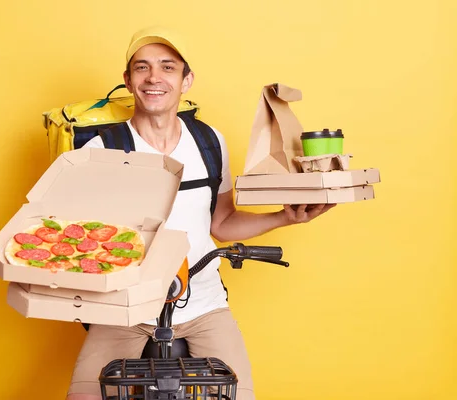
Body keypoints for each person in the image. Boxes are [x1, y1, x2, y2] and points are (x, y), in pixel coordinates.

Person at [67, 26, 335, 400]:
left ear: (186, 79)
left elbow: (222, 225)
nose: (154, 78)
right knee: (84, 395)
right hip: (126, 310)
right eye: (142, 68)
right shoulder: (104, 148)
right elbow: (81, 236)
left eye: (167, 67)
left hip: (205, 305)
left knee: (239, 395)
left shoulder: (209, 141)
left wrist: (286, 217)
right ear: (128, 81)